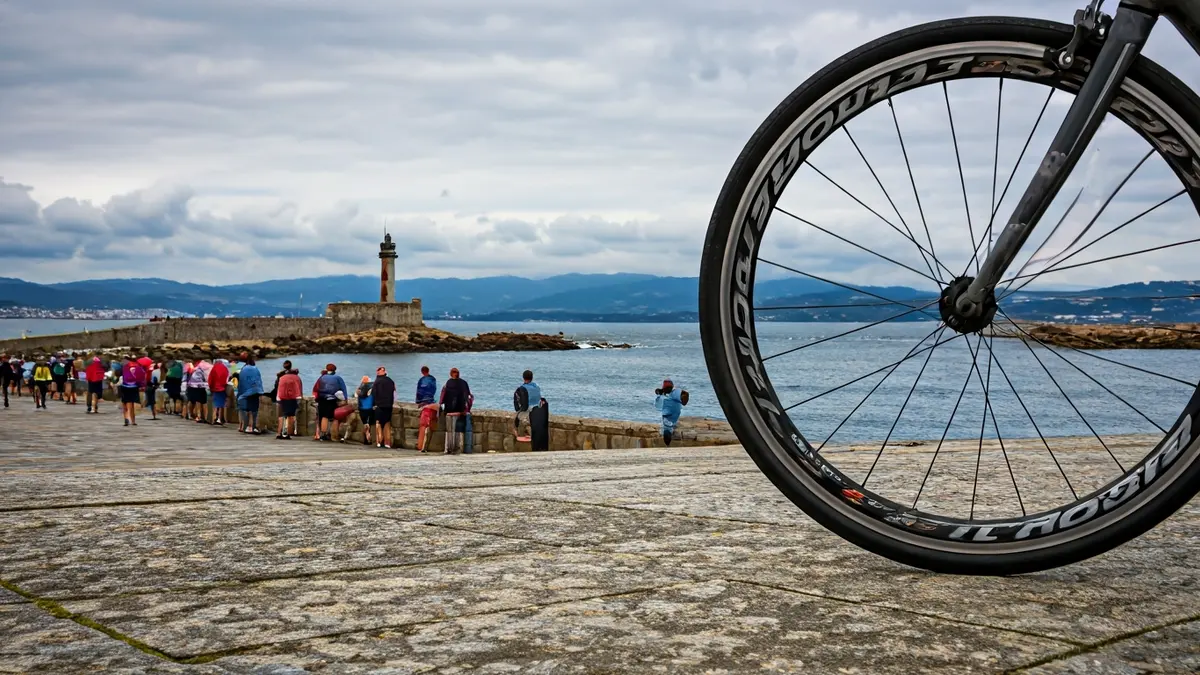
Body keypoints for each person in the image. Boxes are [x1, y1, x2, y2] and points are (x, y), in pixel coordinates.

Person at [439, 367, 471, 455]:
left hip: (449, 410)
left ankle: (448, 448)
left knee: (449, 431)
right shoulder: (463, 383)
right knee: (459, 430)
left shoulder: (448, 383)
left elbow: (443, 397)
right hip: (460, 411)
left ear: (451, 374)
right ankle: (457, 448)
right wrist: (466, 409)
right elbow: (468, 396)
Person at [654, 379, 689, 446]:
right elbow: (657, 391)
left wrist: (684, 396)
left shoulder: (674, 393)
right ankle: (667, 442)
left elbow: (684, 398)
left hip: (669, 416)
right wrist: (659, 391)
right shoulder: (672, 394)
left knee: (667, 429)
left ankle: (667, 442)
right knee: (667, 428)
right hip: (669, 415)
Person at [236, 355, 265, 434]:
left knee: (245, 410)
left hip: (246, 392)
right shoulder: (256, 369)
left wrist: (240, 393)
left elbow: (242, 382)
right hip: (256, 391)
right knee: (254, 411)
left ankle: (245, 427)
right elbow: (259, 380)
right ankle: (252, 427)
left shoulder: (243, 369)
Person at [512, 369, 542, 441]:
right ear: (532, 378)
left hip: (528, 411)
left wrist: (519, 412)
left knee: (515, 421)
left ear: (523, 378)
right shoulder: (537, 387)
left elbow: (519, 404)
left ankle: (522, 434)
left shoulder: (521, 389)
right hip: (538, 411)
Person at [275, 367, 302, 440]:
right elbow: (299, 389)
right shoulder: (296, 378)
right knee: (291, 416)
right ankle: (288, 434)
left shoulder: (282, 378)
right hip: (292, 399)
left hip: (280, 398)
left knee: (281, 416)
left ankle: (279, 433)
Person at [118, 356, 146, 426]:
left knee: (125, 403)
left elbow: (119, 375)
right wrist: (141, 386)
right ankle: (133, 421)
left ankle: (126, 418)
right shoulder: (138, 367)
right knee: (132, 404)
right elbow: (142, 377)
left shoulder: (125, 367)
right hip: (134, 387)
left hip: (125, 387)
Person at [372, 366, 396, 449]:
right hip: (389, 405)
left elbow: (374, 394)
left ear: (378, 372)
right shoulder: (390, 381)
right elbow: (394, 392)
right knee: (387, 423)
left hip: (379, 405)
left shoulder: (377, 382)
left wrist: (374, 404)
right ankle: (387, 443)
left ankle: (379, 441)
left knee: (378, 423)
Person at [208, 358, 230, 426]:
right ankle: (220, 419)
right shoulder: (225, 368)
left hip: (215, 388)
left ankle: (214, 418)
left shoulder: (214, 368)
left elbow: (210, 379)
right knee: (221, 404)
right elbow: (227, 378)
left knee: (215, 404)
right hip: (223, 388)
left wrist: (211, 388)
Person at [355, 376, 374, 446]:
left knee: (365, 423)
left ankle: (366, 438)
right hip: (370, 408)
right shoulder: (371, 388)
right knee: (369, 423)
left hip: (362, 408)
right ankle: (368, 437)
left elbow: (356, 396)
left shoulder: (359, 389)